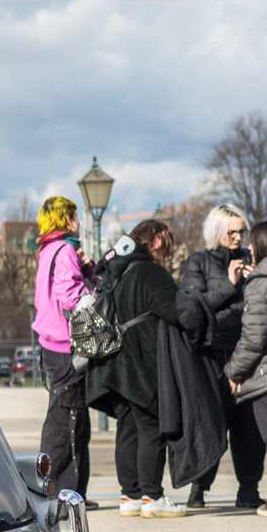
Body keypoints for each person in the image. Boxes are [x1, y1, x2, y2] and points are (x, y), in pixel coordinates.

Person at [86, 219, 185, 517]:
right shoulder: (152, 273)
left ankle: (129, 496)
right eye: (167, 243)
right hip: (141, 362)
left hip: (113, 363)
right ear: (155, 240)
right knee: (151, 426)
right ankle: (152, 497)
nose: (167, 250)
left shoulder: (117, 271)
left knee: (127, 429)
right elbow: (175, 311)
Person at [179, 204, 263, 507]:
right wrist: (230, 284)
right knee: (210, 420)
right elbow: (193, 307)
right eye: (231, 231)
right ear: (216, 232)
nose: (238, 237)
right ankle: (198, 487)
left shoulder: (252, 260)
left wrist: (256, 279)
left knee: (248, 425)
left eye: (242, 231)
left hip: (248, 350)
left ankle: (249, 489)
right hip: (212, 353)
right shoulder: (198, 262)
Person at [31, 196, 94, 504]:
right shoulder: (65, 249)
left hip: (50, 343)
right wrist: (93, 302)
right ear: (67, 219)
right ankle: (52, 490)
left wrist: (87, 268)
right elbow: (69, 294)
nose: (78, 221)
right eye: (75, 216)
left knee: (74, 419)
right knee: (65, 420)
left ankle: (73, 492)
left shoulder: (47, 250)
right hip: (65, 345)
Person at [226, 220, 267, 516]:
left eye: (252, 243)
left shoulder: (261, 283)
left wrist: (233, 372)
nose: (248, 248)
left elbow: (252, 339)